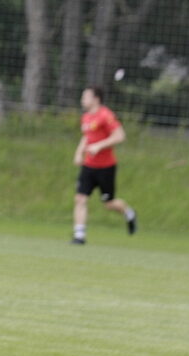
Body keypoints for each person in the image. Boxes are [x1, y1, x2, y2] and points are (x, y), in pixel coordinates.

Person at [72, 85, 136, 245]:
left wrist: (99, 146)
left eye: (86, 96)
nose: (83, 100)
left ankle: (128, 212)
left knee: (109, 204)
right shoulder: (86, 117)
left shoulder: (106, 115)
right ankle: (79, 236)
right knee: (80, 198)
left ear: (96, 99)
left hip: (106, 167)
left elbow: (120, 136)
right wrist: (79, 153)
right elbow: (86, 137)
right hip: (88, 166)